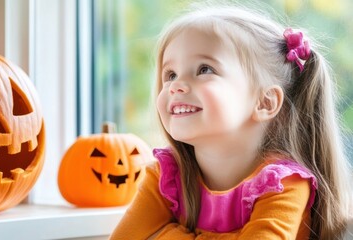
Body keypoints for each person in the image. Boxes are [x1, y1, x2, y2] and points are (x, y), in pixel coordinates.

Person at [110, 4, 352, 240]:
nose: (175, 86)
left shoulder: (283, 185)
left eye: (204, 69)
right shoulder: (166, 176)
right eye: (170, 74)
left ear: (265, 102)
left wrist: (165, 233)